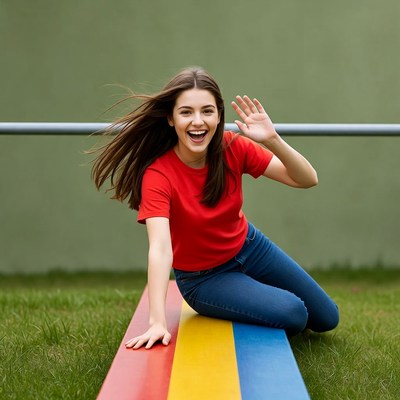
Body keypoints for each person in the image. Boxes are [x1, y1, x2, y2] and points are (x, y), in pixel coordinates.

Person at [91, 66, 339, 350]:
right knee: (294, 313)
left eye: (207, 111)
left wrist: (272, 139)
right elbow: (160, 248)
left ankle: (247, 296)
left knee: (327, 318)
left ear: (219, 115)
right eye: (186, 112)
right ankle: (235, 300)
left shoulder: (233, 146)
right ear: (171, 119)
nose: (198, 121)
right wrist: (157, 321)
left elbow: (307, 179)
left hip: (251, 247)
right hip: (204, 278)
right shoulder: (158, 175)